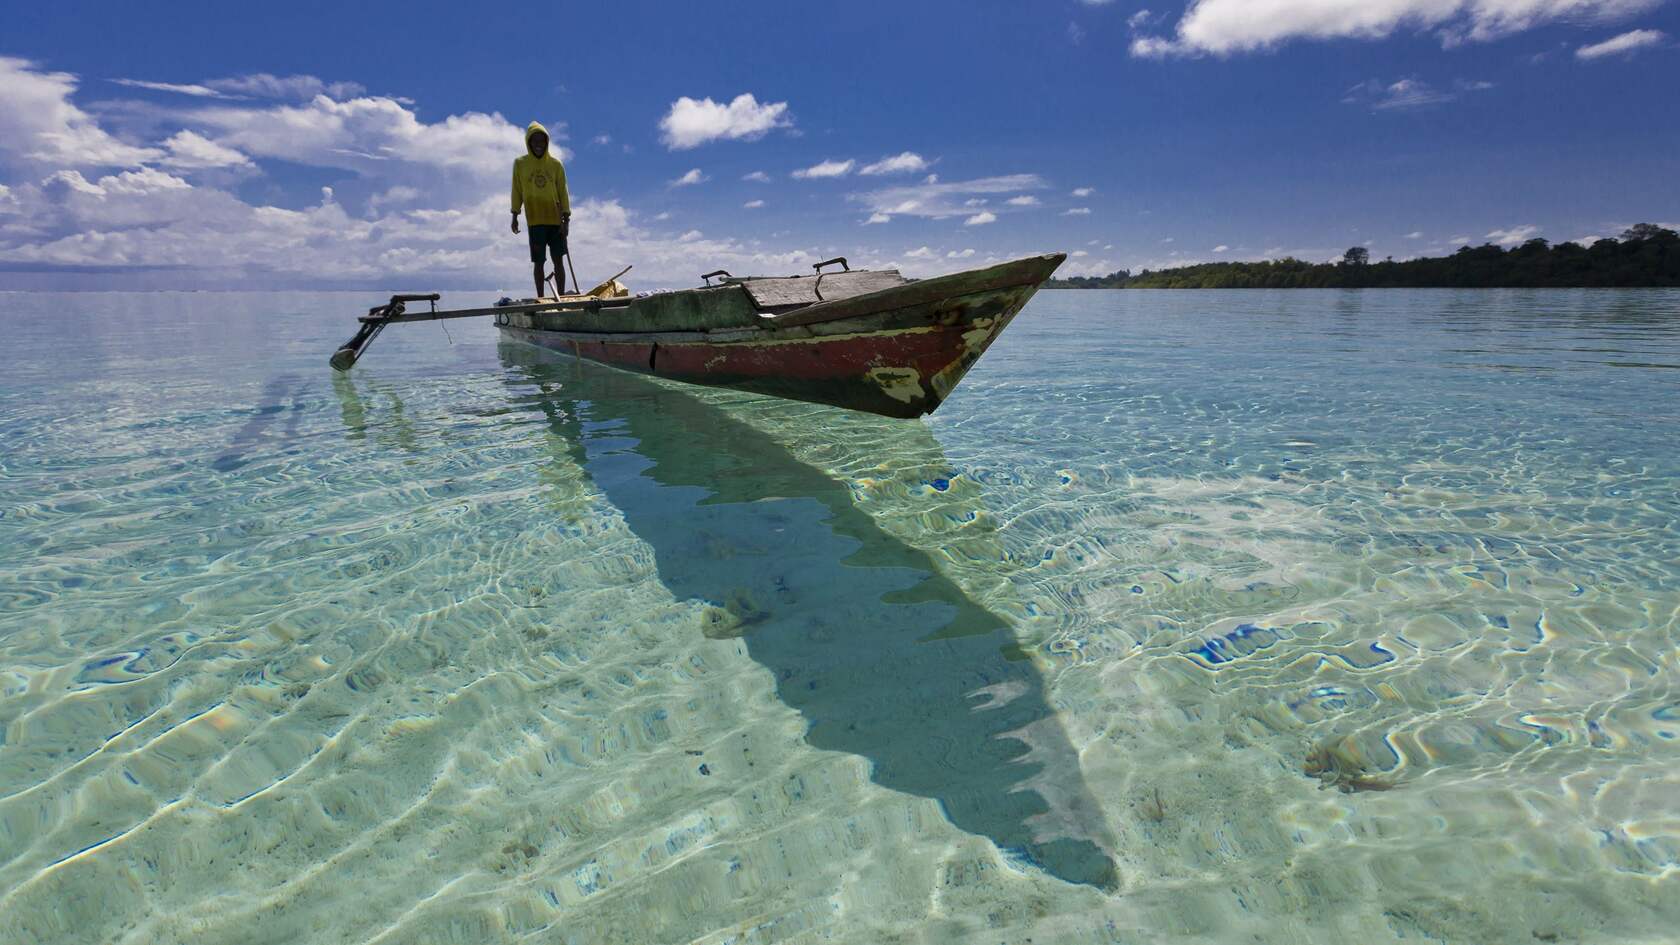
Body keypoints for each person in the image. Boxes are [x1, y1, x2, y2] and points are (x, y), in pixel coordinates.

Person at [510, 121, 571, 299]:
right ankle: (541, 298)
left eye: (542, 141)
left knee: (559, 260)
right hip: (535, 220)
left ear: (547, 142)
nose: (538, 144)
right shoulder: (520, 164)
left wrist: (566, 220)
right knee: (539, 262)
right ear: (528, 143)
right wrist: (515, 214)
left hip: (556, 219)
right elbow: (517, 189)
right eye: (534, 141)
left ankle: (561, 297)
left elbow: (563, 191)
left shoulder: (555, 164)